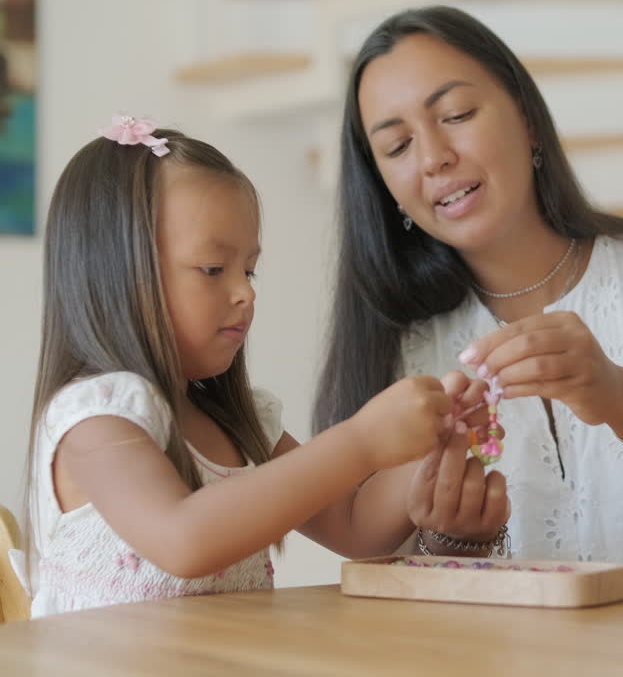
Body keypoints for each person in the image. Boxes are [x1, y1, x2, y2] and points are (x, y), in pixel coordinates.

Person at [315, 6, 623, 573]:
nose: (434, 157)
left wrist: (620, 395)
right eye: (396, 148)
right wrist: (453, 543)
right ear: (385, 188)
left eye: (457, 113)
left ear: (527, 119)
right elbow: (382, 585)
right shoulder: (396, 347)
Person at [24, 116, 500, 616]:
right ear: (114, 276)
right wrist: (362, 441)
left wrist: (431, 441)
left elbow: (357, 527)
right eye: (213, 269)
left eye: (249, 270)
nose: (245, 292)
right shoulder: (95, 419)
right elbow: (183, 538)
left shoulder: (242, 422)